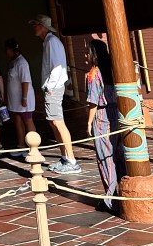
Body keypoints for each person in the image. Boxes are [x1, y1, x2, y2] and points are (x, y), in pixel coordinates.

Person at [30, 15, 80, 174]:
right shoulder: (49, 42)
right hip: (53, 87)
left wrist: (50, 87)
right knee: (54, 122)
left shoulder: (52, 42)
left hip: (54, 87)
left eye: (36, 24)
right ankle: (65, 157)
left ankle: (71, 160)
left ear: (43, 26)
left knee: (58, 122)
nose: (34, 27)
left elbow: (57, 67)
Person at [85, 38, 124, 212]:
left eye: (87, 53)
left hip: (102, 117)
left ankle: (111, 199)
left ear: (94, 55)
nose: (86, 56)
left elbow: (93, 102)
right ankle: (123, 191)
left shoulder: (94, 74)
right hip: (116, 114)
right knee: (118, 154)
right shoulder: (113, 71)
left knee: (105, 157)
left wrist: (88, 122)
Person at [3, 38, 36, 157]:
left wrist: (24, 98)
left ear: (12, 50)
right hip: (15, 100)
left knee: (27, 121)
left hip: (22, 98)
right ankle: (21, 146)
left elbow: (25, 81)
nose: (6, 52)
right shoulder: (13, 62)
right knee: (17, 121)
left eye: (7, 50)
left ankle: (33, 147)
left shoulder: (22, 62)